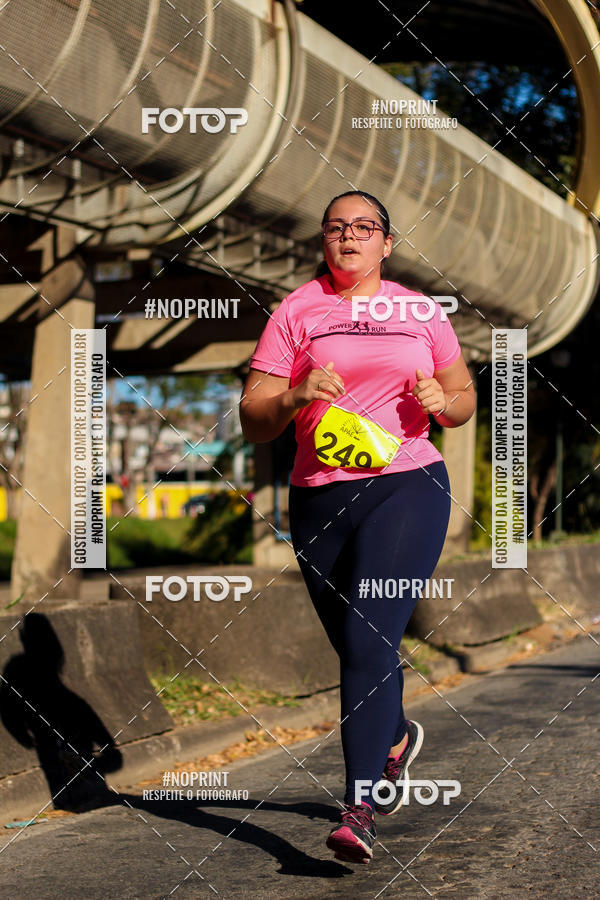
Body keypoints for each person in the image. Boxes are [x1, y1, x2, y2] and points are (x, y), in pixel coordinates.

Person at [239, 190, 475, 864]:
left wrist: (445, 402)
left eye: (364, 228)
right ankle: (394, 735)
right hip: (317, 499)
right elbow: (253, 415)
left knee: (371, 631)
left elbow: (462, 397)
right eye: (337, 228)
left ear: (387, 244)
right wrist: (293, 394)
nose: (350, 237)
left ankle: (360, 807)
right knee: (356, 645)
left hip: (408, 485)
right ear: (324, 241)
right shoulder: (295, 311)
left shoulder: (421, 312)